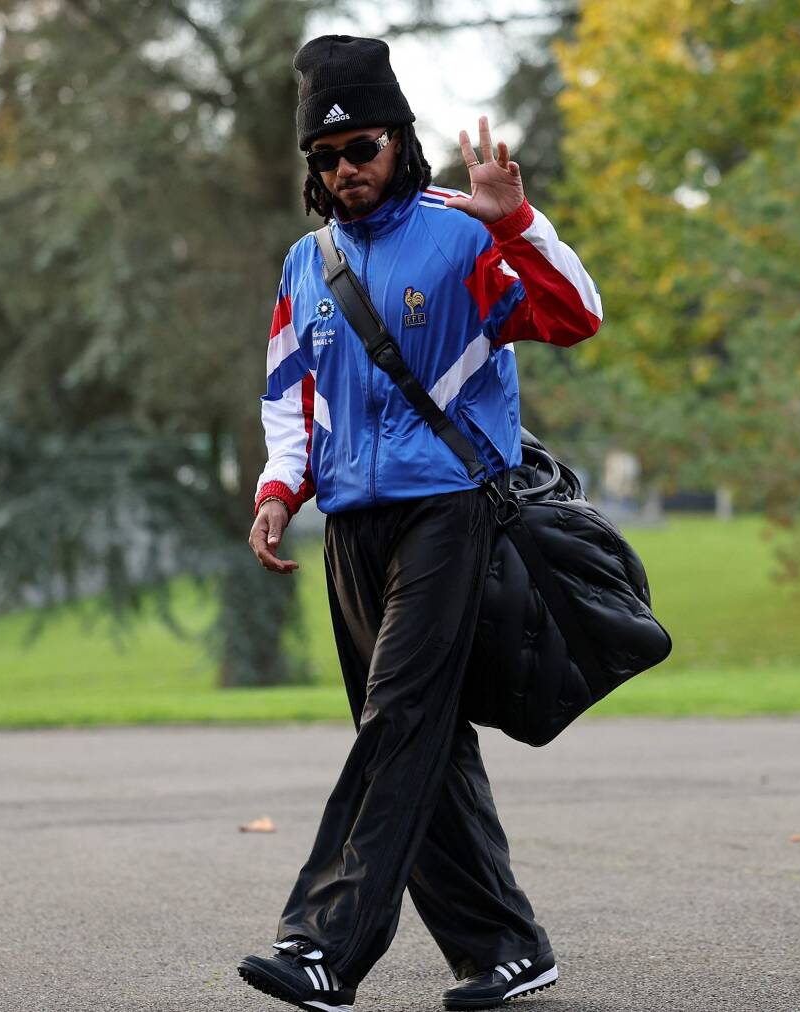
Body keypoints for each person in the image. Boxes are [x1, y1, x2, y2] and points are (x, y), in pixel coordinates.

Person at [238, 34, 602, 1012]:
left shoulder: (465, 232)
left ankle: (320, 943)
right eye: (326, 157)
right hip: (352, 527)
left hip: (450, 510)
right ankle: (508, 947)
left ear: (400, 140)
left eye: (361, 148)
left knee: (399, 718)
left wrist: (517, 220)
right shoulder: (306, 263)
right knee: (418, 736)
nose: (346, 170)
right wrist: (281, 488)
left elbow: (577, 315)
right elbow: (288, 391)